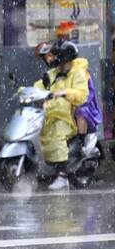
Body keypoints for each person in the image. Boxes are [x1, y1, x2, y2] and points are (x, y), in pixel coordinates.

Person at [34, 40, 92, 191]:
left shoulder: (78, 73)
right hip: (53, 112)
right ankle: (51, 167)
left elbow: (81, 94)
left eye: (55, 55)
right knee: (44, 135)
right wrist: (28, 91)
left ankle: (62, 176)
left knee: (57, 133)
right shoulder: (55, 72)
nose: (51, 59)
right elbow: (40, 85)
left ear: (64, 57)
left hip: (67, 114)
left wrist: (65, 92)